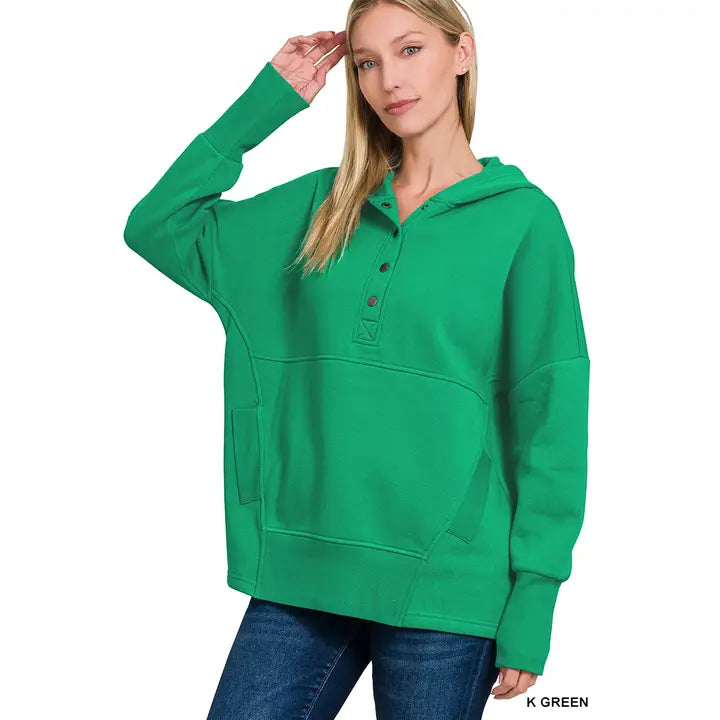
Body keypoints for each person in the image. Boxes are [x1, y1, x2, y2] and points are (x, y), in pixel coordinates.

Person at [123, 0, 590, 717]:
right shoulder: (323, 204)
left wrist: (535, 596)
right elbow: (158, 225)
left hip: (447, 586)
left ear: (462, 53)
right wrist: (266, 104)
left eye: (410, 50)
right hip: (303, 571)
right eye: (367, 62)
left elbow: (550, 415)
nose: (388, 80)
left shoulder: (524, 220)